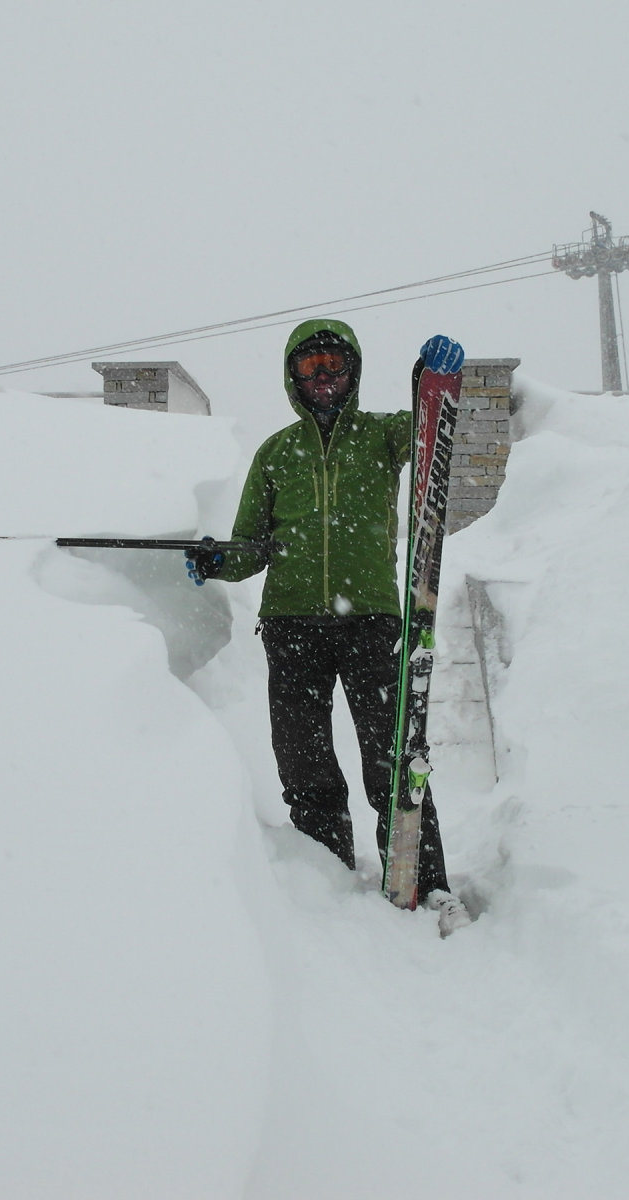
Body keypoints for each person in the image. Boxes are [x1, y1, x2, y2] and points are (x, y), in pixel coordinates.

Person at [187, 318, 470, 936]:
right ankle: (324, 876)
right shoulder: (276, 452)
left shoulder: (379, 435)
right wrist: (216, 559)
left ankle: (427, 880)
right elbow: (251, 548)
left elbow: (434, 434)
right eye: (310, 369)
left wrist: (434, 380)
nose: (323, 380)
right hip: (291, 625)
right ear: (293, 376)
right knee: (303, 762)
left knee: (393, 757)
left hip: (370, 621)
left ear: (354, 372)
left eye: (334, 367)